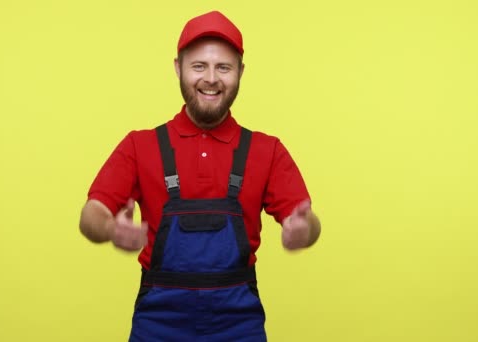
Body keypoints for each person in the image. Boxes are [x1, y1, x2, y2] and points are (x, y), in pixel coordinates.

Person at [79, 10, 321, 341]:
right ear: (178, 68)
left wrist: (304, 230)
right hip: (158, 323)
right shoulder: (140, 145)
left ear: (240, 72)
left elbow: (309, 222)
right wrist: (109, 228)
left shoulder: (267, 150)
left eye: (223, 67)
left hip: (239, 323)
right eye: (199, 66)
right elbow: (91, 214)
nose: (211, 78)